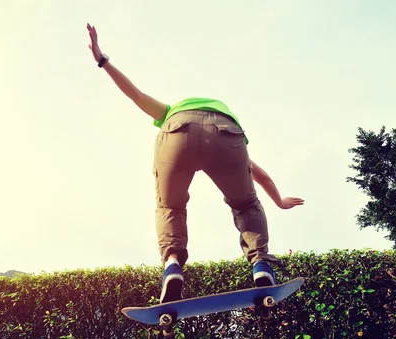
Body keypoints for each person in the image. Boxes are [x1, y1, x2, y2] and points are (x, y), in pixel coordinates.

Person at [87, 24, 304, 303]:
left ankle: (172, 266)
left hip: (175, 131)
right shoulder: (219, 112)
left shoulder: (169, 111)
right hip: (227, 132)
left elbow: (136, 95)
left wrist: (102, 60)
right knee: (246, 203)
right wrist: (278, 200)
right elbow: (258, 174)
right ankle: (260, 264)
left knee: (170, 207)